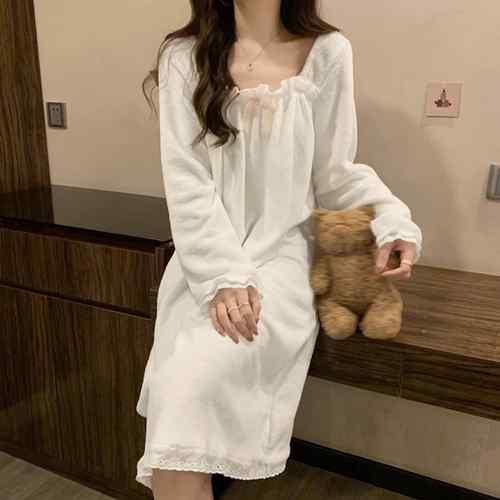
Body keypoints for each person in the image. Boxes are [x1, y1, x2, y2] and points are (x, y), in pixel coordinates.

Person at [136, 1, 423, 498]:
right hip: (205, 263)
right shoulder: (183, 55)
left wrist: (392, 220)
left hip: (281, 260)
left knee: (188, 391)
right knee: (177, 399)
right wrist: (222, 276)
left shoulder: (328, 52)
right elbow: (186, 182)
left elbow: (335, 173)